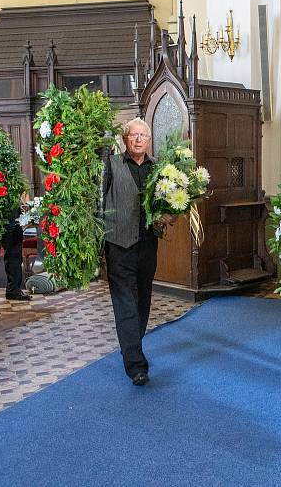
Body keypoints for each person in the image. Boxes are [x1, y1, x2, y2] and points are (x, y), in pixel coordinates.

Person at [102, 118, 173, 386]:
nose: (139, 139)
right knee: (125, 302)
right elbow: (99, 202)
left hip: (147, 244)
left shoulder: (159, 168)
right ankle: (136, 366)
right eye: (134, 135)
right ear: (125, 139)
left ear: (149, 139)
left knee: (143, 300)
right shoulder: (111, 164)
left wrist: (170, 216)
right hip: (119, 244)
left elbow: (170, 204)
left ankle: (131, 343)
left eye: (144, 135)